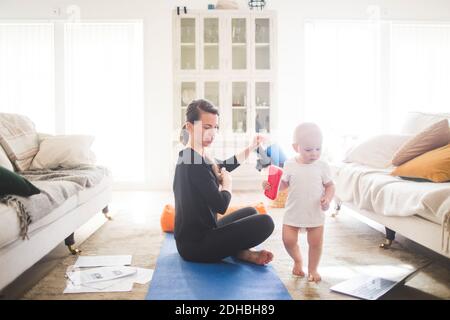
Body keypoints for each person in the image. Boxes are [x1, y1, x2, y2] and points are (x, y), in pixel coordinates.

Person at [174, 99, 275, 264]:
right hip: (195, 246)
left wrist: (251, 147)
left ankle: (241, 253)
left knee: (251, 212)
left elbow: (223, 166)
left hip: (202, 233)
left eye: (215, 128)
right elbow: (221, 205)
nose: (212, 133)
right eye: (206, 127)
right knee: (266, 223)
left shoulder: (192, 156)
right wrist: (228, 184)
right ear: (189, 127)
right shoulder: (193, 163)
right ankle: (242, 253)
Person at [263, 123, 335, 282]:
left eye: (318, 149)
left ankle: (312, 269)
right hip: (294, 210)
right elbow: (284, 185)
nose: (314, 153)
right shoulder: (289, 164)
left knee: (315, 243)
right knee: (288, 240)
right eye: (309, 150)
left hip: (315, 211)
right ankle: (298, 260)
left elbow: (330, 186)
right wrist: (271, 185)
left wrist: (327, 199)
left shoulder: (322, 166)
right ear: (296, 147)